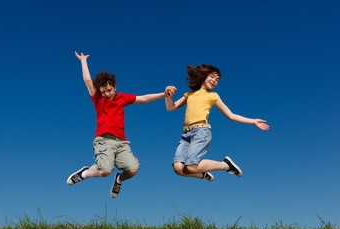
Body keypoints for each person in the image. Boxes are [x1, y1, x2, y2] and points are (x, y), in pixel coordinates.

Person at [67, 51, 176, 198]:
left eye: (109, 90)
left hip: (121, 142)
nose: (107, 94)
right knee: (105, 171)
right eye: (103, 91)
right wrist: (83, 61)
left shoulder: (121, 98)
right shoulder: (98, 100)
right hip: (104, 140)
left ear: (115, 86)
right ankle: (84, 173)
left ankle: (119, 180)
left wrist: (164, 94)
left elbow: (143, 98)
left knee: (132, 170)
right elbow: (87, 81)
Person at [165, 64, 269, 181]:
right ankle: (203, 175)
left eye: (217, 80)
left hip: (200, 132)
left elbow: (231, 115)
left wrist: (253, 121)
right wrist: (167, 94)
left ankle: (226, 165)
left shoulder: (213, 96)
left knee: (191, 166)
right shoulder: (189, 94)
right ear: (204, 76)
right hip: (185, 135)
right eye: (212, 77)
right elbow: (171, 107)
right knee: (178, 168)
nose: (214, 81)